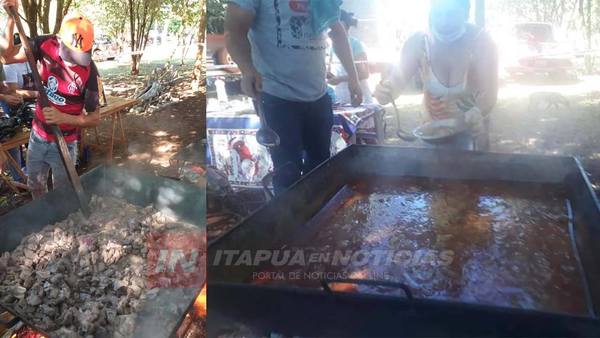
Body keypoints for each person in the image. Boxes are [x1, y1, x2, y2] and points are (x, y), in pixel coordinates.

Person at [225, 0, 362, 194]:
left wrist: (354, 79)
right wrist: (247, 70)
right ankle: (290, 223)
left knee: (321, 169)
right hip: (277, 97)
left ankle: (319, 220)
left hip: (319, 95)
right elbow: (234, 32)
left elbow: (337, 31)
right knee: (288, 173)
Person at [0, 1, 100, 198]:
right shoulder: (45, 45)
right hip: (37, 137)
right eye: (71, 56)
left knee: (62, 193)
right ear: (60, 40)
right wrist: (12, 18)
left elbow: (95, 118)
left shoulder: (89, 73)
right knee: (36, 187)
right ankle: (43, 222)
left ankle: (63, 224)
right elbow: (6, 56)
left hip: (66, 141)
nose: (74, 63)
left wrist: (64, 118)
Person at [374, 0, 498, 151]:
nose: (443, 22)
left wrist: (478, 111)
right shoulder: (417, 42)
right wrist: (385, 92)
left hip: (473, 135)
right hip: (432, 136)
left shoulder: (481, 42)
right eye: (438, 14)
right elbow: (396, 81)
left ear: (466, 13)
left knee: (472, 173)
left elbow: (489, 94)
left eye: (451, 14)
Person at [328, 10, 372, 104]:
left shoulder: (356, 45)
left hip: (359, 97)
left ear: (343, 24)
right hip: (341, 98)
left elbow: (364, 73)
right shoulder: (330, 46)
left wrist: (340, 79)